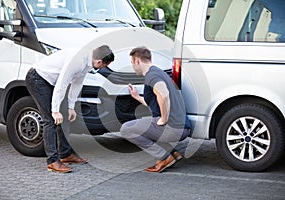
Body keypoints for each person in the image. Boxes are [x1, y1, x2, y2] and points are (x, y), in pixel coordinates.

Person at [26, 45, 114, 173]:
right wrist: (55, 110)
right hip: (37, 79)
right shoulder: (77, 60)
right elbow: (62, 84)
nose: (104, 68)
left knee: (65, 117)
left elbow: (77, 83)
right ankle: (52, 161)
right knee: (50, 119)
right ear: (99, 61)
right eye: (105, 65)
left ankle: (66, 154)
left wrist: (70, 107)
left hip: (51, 82)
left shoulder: (89, 62)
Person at [120, 46, 191, 173]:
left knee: (126, 129)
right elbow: (156, 102)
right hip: (183, 126)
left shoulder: (151, 76)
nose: (132, 66)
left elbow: (163, 95)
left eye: (132, 62)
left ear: (137, 60)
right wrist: (137, 97)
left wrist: (163, 119)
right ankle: (173, 154)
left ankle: (164, 157)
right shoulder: (158, 72)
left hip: (173, 128)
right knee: (144, 123)